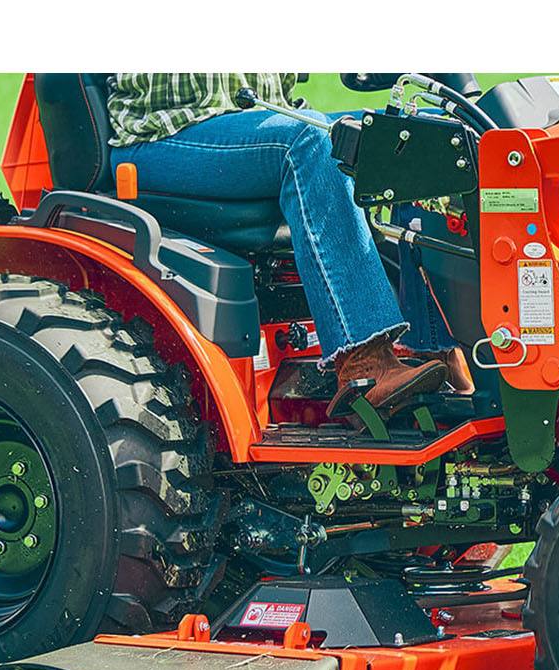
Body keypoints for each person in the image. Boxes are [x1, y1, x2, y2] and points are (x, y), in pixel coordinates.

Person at [106, 73, 465, 416]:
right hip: (165, 134)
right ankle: (365, 364)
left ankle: (435, 349)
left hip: (262, 121)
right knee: (310, 139)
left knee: (425, 133)